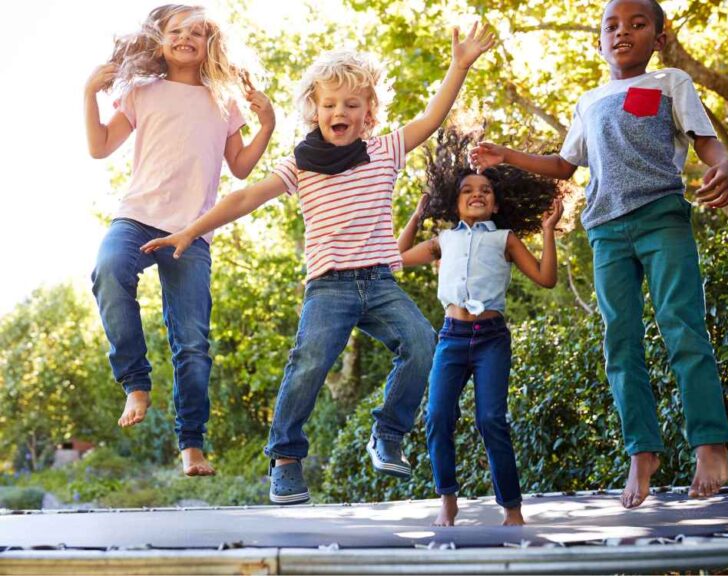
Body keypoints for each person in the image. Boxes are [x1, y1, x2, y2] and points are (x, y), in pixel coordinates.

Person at [140, 24, 495, 504]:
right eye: (329, 105)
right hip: (329, 286)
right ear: (314, 109)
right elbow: (246, 195)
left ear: (368, 112)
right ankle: (285, 458)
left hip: (379, 281)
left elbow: (432, 118)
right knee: (307, 364)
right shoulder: (300, 164)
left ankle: (387, 434)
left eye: (351, 105)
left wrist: (459, 65)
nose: (339, 112)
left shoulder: (384, 149)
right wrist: (190, 230)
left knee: (421, 343)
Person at [471, 0, 728, 508]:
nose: (622, 34)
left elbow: (708, 144)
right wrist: (505, 155)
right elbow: (564, 164)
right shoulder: (588, 101)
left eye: (638, 25)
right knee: (620, 342)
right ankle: (642, 452)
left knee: (682, 325)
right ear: (599, 39)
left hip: (661, 217)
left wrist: (722, 166)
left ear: (658, 38)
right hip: (606, 232)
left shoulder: (671, 82)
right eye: (611, 25)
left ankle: (709, 441)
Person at [85, 4, 275, 476]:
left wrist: (267, 123)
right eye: (176, 31)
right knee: (108, 270)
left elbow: (242, 167)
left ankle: (192, 445)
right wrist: (89, 91)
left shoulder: (223, 100)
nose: (186, 38)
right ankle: (136, 382)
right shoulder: (141, 91)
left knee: (192, 343)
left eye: (197, 32)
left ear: (211, 43)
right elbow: (99, 147)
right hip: (137, 216)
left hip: (192, 230)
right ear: (160, 38)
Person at [398, 128, 563, 526]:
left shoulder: (505, 238)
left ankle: (512, 509)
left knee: (491, 420)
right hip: (451, 339)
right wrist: (417, 216)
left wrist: (546, 232)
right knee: (437, 416)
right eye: (468, 189)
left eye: (486, 190)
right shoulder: (443, 241)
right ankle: (447, 499)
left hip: (491, 340)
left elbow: (546, 279)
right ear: (453, 202)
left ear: (496, 202)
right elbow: (397, 257)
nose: (477, 193)